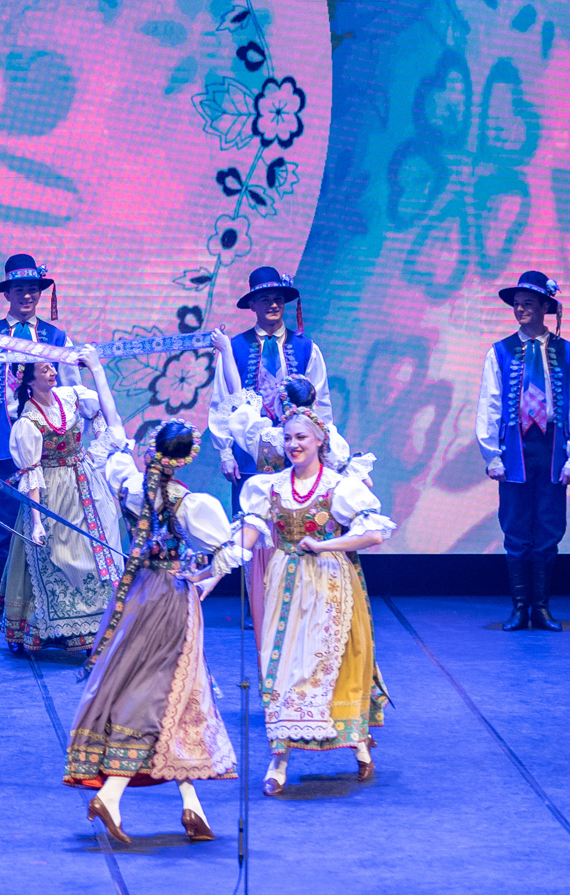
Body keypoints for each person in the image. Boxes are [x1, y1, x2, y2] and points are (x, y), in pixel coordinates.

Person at [66, 421, 239, 845]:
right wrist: (201, 579)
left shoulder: (133, 486)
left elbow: (112, 452)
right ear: (186, 459)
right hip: (169, 601)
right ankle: (111, 795)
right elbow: (226, 554)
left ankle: (192, 806)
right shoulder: (188, 502)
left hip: (137, 594)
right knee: (159, 692)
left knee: (171, 693)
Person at [237, 406, 394, 794]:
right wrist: (215, 567)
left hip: (329, 582)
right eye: (288, 438)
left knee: (331, 664)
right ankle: (279, 759)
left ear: (320, 441)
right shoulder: (270, 486)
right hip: (285, 582)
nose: (293, 444)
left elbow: (374, 533)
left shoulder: (339, 487)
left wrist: (324, 545)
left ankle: (359, 744)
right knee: (281, 665)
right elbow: (249, 533)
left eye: (301, 437)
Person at [207, 267, 331, 626]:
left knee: (298, 522)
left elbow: (321, 401)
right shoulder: (235, 347)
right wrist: (225, 451)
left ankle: (298, 600)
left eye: (278, 298)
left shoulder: (306, 348)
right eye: (265, 299)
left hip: (298, 453)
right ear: (253, 305)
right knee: (254, 526)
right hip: (251, 452)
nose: (273, 304)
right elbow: (223, 399)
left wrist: (322, 445)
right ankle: (258, 604)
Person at [476, 270, 570, 632]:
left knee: (549, 529)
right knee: (515, 530)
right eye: (517, 304)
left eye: (528, 303)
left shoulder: (567, 352)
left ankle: (541, 608)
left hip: (552, 448)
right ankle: (519, 608)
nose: (520, 309)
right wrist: (492, 454)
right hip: (516, 449)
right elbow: (490, 404)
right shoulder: (500, 352)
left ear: (544, 307)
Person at [0, 254, 74, 599]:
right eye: (19, 289)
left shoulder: (56, 338)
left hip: (49, 443)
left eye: (32, 289)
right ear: (7, 294)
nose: (26, 296)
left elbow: (73, 389)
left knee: (51, 521)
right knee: (3, 526)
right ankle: (8, 604)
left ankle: (49, 603)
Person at [0, 346, 127, 654]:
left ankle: (96, 626)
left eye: (52, 367)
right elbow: (31, 473)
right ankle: (57, 629)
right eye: (44, 369)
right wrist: (37, 521)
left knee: (95, 554)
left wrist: (97, 370)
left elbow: (106, 419)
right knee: (60, 558)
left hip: (85, 484)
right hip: (52, 492)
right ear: (29, 380)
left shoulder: (71, 397)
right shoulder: (28, 422)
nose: (53, 372)